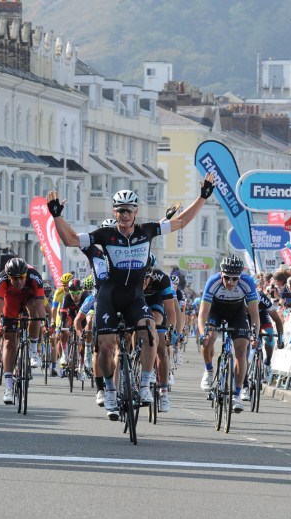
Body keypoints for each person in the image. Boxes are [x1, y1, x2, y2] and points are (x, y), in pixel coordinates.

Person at [47, 175, 215, 420]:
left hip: (135, 297)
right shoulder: (105, 234)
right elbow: (71, 240)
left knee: (149, 332)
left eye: (128, 210)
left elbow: (181, 222)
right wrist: (56, 216)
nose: (124, 215)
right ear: (115, 212)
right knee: (105, 346)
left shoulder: (148, 230)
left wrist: (202, 197)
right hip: (109, 295)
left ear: (135, 212)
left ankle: (146, 386)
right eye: (120, 211)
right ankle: (110, 390)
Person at [198, 254, 261, 413]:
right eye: (227, 278)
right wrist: (202, 333)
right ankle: (209, 370)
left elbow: (254, 313)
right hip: (216, 312)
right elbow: (203, 313)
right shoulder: (213, 282)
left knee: (241, 351)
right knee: (209, 338)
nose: (230, 282)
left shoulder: (247, 283)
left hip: (237, 314)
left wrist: (255, 334)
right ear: (221, 274)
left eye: (234, 279)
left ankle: (236, 395)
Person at [0, 258, 48, 405]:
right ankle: (9, 387)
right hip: (11, 299)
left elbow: (40, 304)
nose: (18, 282)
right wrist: (0, 323)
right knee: (10, 341)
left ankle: (33, 350)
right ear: (8, 276)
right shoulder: (1, 280)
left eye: (22, 278)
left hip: (29, 298)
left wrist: (43, 323)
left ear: (26, 274)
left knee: (34, 312)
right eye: (15, 279)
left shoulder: (34, 276)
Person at [142, 255, 178, 413]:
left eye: (148, 274)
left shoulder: (161, 278)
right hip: (136, 302)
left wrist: (171, 330)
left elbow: (170, 310)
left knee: (162, 347)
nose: (145, 278)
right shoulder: (130, 275)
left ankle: (163, 393)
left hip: (156, 304)